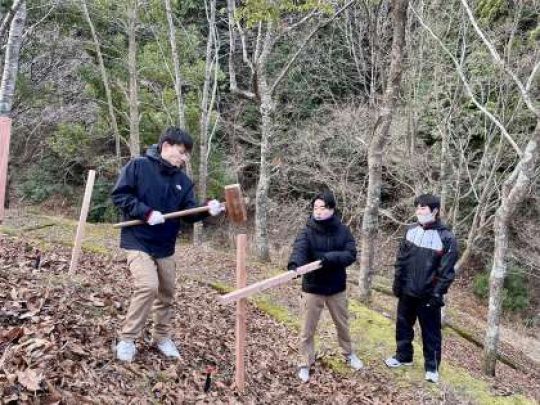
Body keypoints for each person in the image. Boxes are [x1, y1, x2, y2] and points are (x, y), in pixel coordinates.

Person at [111, 127, 224, 362]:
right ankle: (127, 339)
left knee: (167, 293)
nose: (184, 158)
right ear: (165, 147)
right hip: (138, 240)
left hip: (165, 246)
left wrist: (206, 209)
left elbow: (189, 213)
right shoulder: (138, 166)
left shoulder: (182, 181)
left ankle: (161, 337)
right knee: (148, 286)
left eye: (186, 155)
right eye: (181, 152)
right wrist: (146, 213)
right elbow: (120, 196)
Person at [287, 191, 363, 383]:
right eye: (315, 208)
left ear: (331, 209)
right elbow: (300, 249)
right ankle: (305, 363)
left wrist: (329, 259)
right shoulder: (307, 230)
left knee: (342, 325)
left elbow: (350, 254)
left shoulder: (343, 231)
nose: (318, 212)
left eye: (322, 208)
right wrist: (295, 264)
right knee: (307, 329)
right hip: (313, 288)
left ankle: (348, 354)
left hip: (336, 288)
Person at [385, 194, 458, 383]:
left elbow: (447, 271)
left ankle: (432, 367)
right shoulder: (410, 231)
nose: (419, 211)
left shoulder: (446, 238)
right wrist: (397, 282)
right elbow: (401, 260)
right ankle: (403, 356)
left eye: (423, 208)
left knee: (431, 333)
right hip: (407, 291)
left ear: (434, 211)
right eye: (417, 208)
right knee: (402, 325)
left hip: (428, 295)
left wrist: (437, 293)